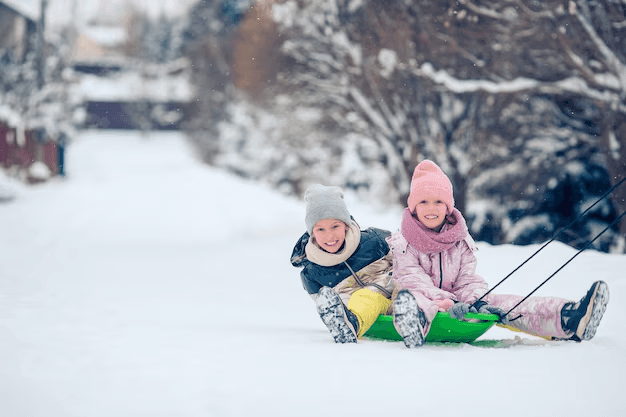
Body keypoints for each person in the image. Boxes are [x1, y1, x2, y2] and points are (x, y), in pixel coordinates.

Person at [387, 159, 610, 348]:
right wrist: (448, 302)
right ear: (414, 208)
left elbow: (467, 278)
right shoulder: (404, 241)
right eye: (423, 202)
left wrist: (477, 301)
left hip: (457, 306)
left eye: (438, 202)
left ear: (448, 207)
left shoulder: (459, 239)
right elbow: (412, 280)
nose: (431, 208)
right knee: (415, 298)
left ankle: (568, 318)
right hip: (418, 299)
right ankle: (413, 326)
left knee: (499, 302)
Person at [290, 184, 396, 343]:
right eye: (320, 230)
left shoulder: (376, 240)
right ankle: (351, 325)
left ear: (346, 225)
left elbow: (411, 258)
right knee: (362, 297)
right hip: (365, 314)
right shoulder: (311, 274)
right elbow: (329, 307)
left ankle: (429, 309)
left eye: (335, 226)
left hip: (398, 296)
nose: (329, 236)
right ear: (311, 233)